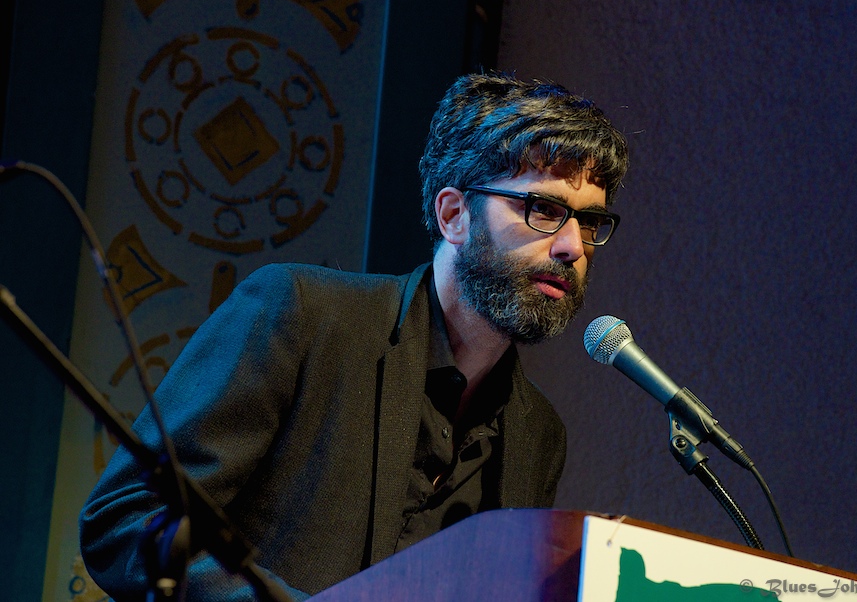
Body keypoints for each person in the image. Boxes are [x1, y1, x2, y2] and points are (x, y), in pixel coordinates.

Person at [79, 72, 629, 600]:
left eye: (589, 223)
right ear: (455, 215)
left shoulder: (538, 435)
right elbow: (126, 518)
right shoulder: (303, 315)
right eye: (544, 209)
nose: (572, 248)